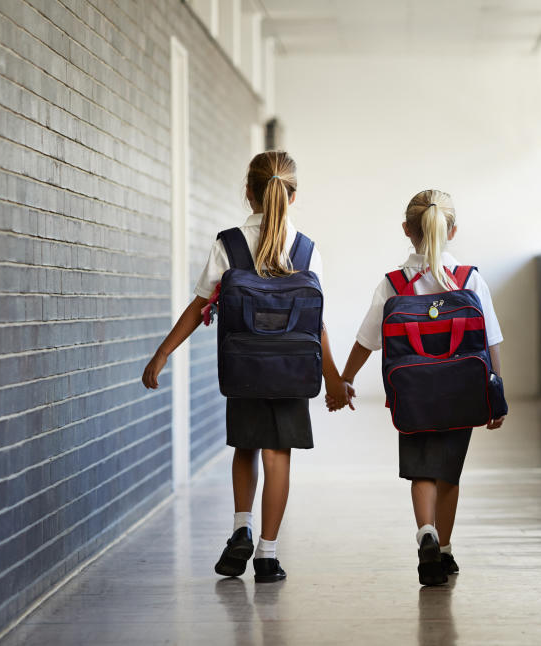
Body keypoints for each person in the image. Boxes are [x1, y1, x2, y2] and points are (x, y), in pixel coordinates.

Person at [141, 151, 350, 582]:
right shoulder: (308, 249)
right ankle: (268, 556)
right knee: (278, 457)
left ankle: (241, 528)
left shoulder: (229, 243)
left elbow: (199, 305)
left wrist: (162, 353)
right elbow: (318, 324)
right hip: (293, 371)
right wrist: (334, 379)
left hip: (243, 369)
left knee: (247, 447)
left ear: (248, 192)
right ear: (292, 196)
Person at [330, 189, 505, 586]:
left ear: (407, 230)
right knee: (449, 475)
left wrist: (345, 378)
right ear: (453, 231)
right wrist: (496, 393)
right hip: (462, 392)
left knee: (422, 470)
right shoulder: (469, 278)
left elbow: (366, 339)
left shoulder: (393, 283)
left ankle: (425, 532)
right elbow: (491, 339)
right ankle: (443, 549)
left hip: (413, 394)